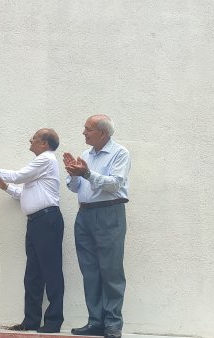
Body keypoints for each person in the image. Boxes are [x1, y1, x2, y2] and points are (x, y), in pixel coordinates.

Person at [0, 128, 64, 334]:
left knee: (51, 271)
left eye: (35, 138)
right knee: (33, 274)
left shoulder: (46, 159)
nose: (30, 140)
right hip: (36, 222)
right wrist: (5, 187)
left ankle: (53, 322)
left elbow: (19, 176)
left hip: (47, 220)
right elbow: (24, 192)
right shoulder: (40, 165)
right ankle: (30, 321)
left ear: (45, 144)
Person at [63, 114, 131, 338]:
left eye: (88, 129)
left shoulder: (120, 153)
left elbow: (114, 184)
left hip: (109, 213)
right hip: (85, 215)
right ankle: (95, 321)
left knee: (110, 270)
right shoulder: (85, 155)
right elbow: (75, 188)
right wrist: (73, 173)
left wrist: (87, 173)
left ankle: (113, 324)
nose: (84, 132)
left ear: (103, 132)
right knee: (90, 271)